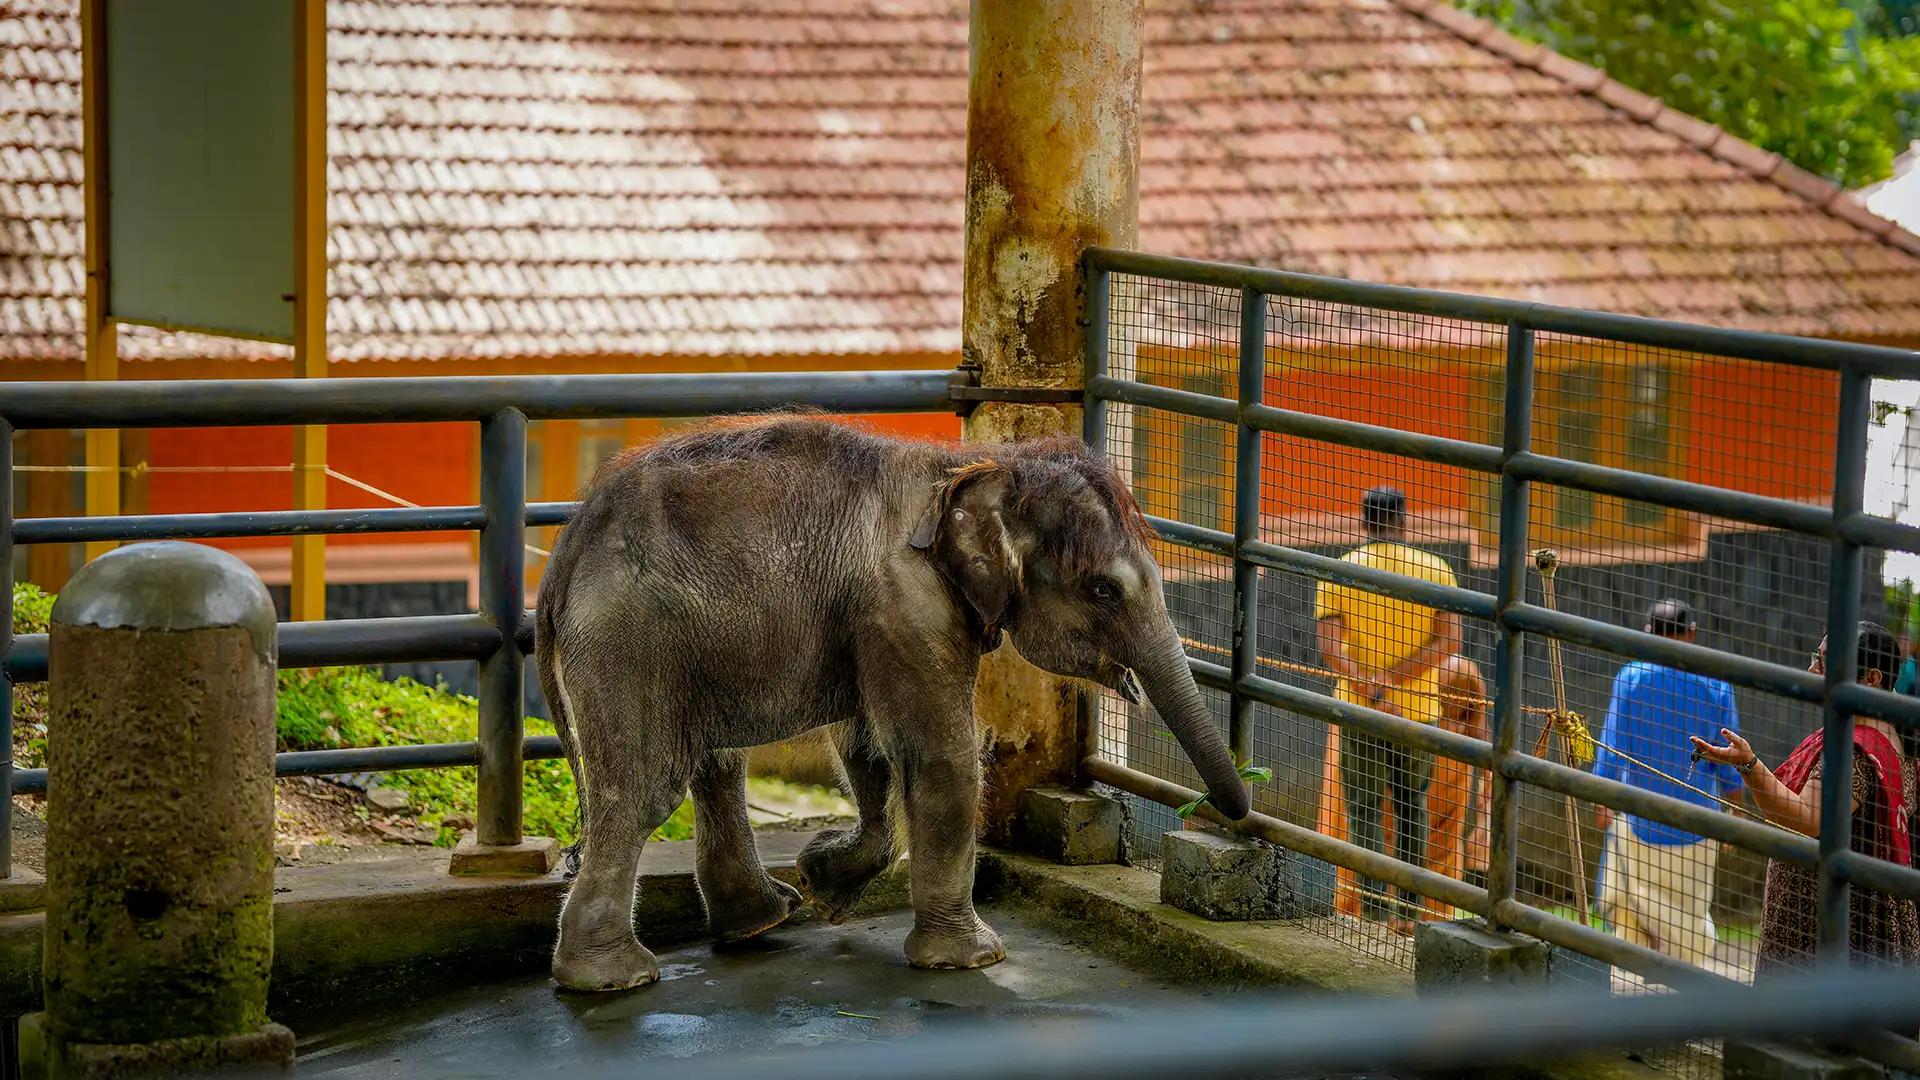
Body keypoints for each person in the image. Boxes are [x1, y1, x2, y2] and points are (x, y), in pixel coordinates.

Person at [1691, 621, 1918, 974]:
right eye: (1817, 657)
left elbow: (1809, 819)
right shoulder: (1889, 736)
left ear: (1871, 679)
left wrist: (1749, 765)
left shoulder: (1856, 749)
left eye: (1826, 662)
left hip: (1836, 932)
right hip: (1859, 921)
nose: (1813, 670)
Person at [1315, 487, 1461, 932]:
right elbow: (1449, 642)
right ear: (1403, 521)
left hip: (1361, 710)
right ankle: (1411, 913)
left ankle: (1373, 911)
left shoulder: (1342, 569)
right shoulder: (1437, 569)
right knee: (1411, 806)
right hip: (1418, 711)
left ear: (1364, 522)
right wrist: (1397, 681)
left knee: (1362, 808)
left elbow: (1328, 645)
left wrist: (1368, 682)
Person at [1590, 598, 1741, 969]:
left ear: (1648, 633)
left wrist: (1601, 800)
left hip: (1639, 819)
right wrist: (1735, 811)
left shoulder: (1630, 677)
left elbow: (1611, 748)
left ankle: (1634, 987)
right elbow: (1730, 758)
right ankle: (1682, 991)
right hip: (1697, 825)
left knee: (1628, 908)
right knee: (1689, 918)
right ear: (1691, 634)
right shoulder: (1715, 683)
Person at [1421, 653, 1491, 917]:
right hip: (1456, 758)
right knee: (1445, 846)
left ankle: (1402, 915)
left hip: (1427, 753)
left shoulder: (1428, 668)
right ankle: (1436, 917)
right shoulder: (1465, 667)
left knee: (1408, 834)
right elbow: (1479, 731)